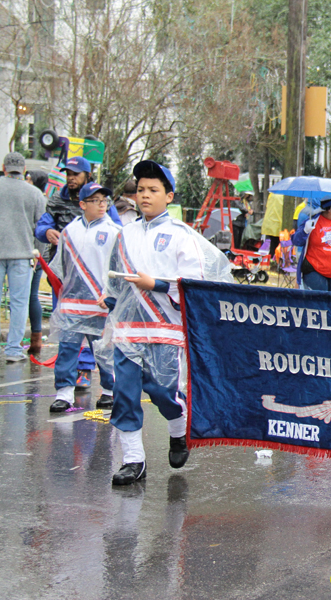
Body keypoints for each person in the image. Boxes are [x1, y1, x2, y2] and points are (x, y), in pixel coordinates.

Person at [100, 160, 232, 485]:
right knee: (124, 392)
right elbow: (115, 274)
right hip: (129, 329)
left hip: (165, 328)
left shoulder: (181, 236)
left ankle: (178, 427)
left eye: (153, 190)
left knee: (163, 392)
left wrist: (156, 284)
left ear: (169, 196)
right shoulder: (125, 234)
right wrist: (111, 299)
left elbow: (194, 283)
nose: (145, 195)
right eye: (141, 189)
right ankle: (133, 459)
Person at [36, 156, 122, 386]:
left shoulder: (104, 207)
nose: (71, 178)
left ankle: (88, 371)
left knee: (100, 337)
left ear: (86, 175)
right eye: (68, 174)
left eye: (75, 174)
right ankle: (67, 381)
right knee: (69, 333)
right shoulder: (57, 200)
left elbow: (116, 238)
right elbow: (43, 224)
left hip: (96, 284)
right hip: (67, 277)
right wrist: (47, 233)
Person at [48, 182, 120, 412]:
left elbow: (119, 267)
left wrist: (111, 294)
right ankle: (64, 393)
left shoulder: (115, 232)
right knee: (67, 349)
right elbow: (60, 267)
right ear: (82, 204)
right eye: (95, 200)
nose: (102, 204)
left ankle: (109, 391)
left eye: (104, 200)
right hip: (72, 303)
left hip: (100, 303)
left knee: (104, 350)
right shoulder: (69, 231)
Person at [0, 152, 46, 362]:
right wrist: (38, 255)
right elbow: (41, 228)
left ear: (4, 169)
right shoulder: (34, 194)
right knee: (19, 302)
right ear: (23, 170)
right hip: (22, 254)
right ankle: (14, 350)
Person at [25, 169, 49, 354]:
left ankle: (36, 335)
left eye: (29, 179)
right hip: (35, 255)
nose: (26, 182)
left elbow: (39, 229)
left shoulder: (38, 200)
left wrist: (37, 255)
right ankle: (36, 337)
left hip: (34, 255)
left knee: (31, 296)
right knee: (29, 296)